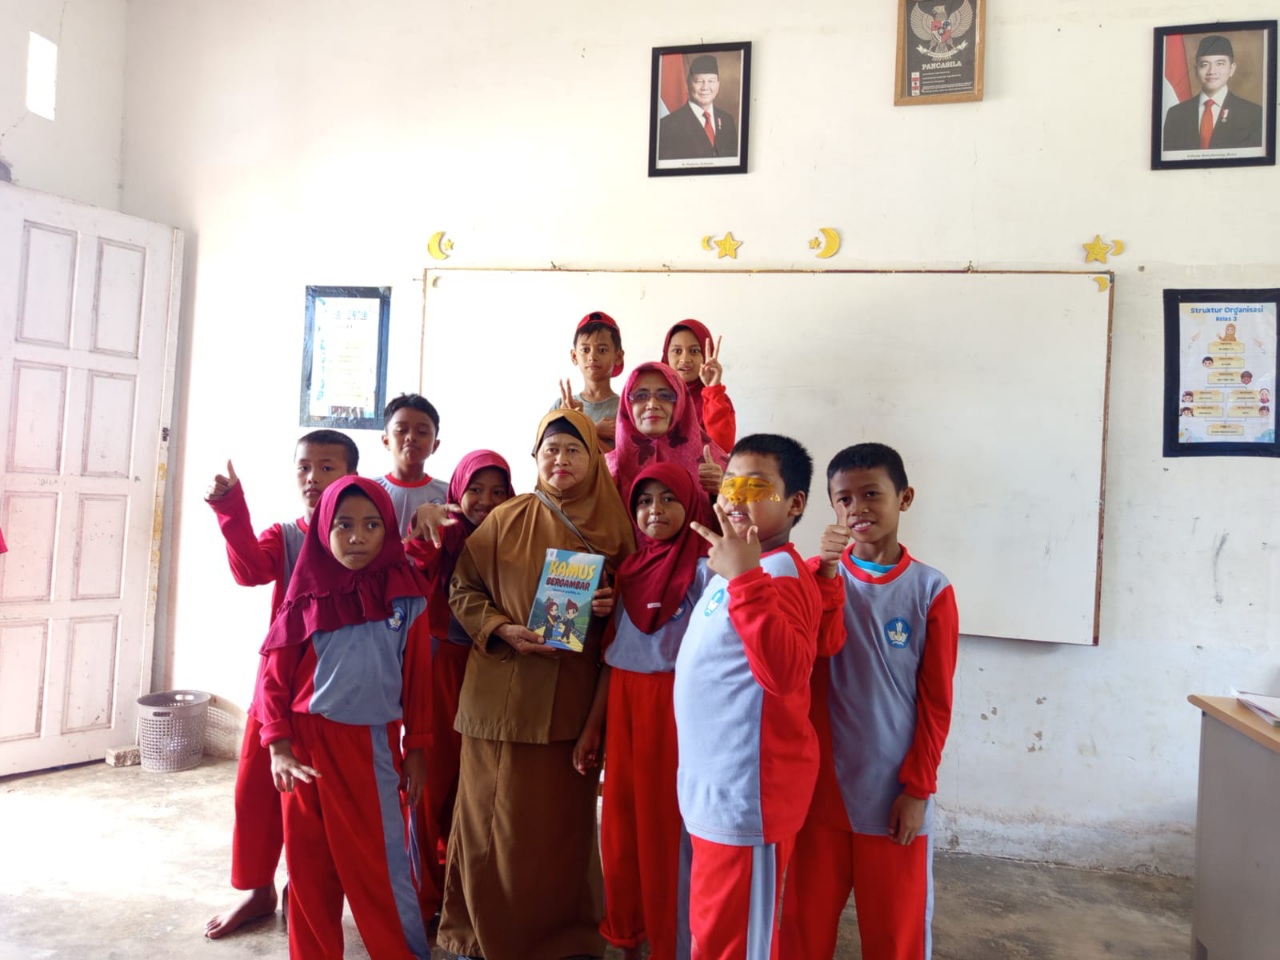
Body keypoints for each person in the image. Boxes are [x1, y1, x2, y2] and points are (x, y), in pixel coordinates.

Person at [439, 410, 635, 960]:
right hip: (500, 697)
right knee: (488, 828)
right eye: (551, 450)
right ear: (536, 458)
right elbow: (462, 589)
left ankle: (562, 940)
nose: (561, 460)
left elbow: (639, 617)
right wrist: (502, 628)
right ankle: (478, 937)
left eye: (573, 450)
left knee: (558, 833)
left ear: (594, 459)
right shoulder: (507, 518)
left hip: (570, 705)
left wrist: (613, 602)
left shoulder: (619, 529)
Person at [780, 443, 959, 960]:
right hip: (819, 793)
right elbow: (803, 655)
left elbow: (937, 703)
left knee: (895, 933)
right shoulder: (814, 575)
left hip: (891, 796)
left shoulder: (930, 590)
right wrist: (825, 574)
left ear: (904, 498)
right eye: (843, 499)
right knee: (802, 929)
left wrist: (918, 789)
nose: (857, 508)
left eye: (871, 494)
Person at [673, 434, 835, 960]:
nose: (738, 497)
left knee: (736, 944)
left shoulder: (777, 574)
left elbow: (786, 673)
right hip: (714, 794)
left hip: (747, 801)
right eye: (730, 483)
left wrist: (744, 577)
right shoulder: (737, 564)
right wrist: (740, 573)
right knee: (713, 934)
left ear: (795, 504)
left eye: (757, 486)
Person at [259, 476, 432, 960]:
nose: (357, 537)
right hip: (305, 749)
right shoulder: (304, 598)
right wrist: (278, 746)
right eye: (344, 525)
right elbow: (273, 678)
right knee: (309, 868)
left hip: (371, 744)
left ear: (388, 529)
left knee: (381, 865)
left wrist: (417, 749)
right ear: (323, 530)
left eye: (372, 525)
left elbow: (418, 679)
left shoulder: (406, 596)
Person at [203, 429, 358, 940]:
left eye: (327, 467)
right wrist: (231, 506)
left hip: (333, 696)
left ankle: (303, 888)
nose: (313, 478)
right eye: (304, 468)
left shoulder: (366, 540)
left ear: (351, 475)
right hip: (276, 688)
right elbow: (250, 570)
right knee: (254, 793)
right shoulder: (288, 536)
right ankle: (256, 890)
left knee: (315, 800)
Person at [598, 462, 713, 960]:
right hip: (624, 704)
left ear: (691, 505)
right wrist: (594, 729)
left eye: (669, 499)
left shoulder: (706, 571)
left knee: (665, 829)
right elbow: (613, 656)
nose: (655, 510)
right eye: (644, 501)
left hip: (673, 708)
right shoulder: (628, 570)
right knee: (620, 825)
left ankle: (672, 943)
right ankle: (627, 932)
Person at [402, 451, 515, 931]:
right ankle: (422, 898)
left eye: (498, 492)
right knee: (432, 784)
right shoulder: (443, 532)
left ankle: (462, 893)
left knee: (479, 788)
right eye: (476, 490)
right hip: (442, 666)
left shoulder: (514, 535)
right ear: (457, 492)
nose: (486, 501)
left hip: (494, 666)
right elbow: (412, 567)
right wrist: (421, 524)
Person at [606, 360, 727, 501]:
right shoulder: (608, 468)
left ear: (681, 403)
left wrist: (723, 490)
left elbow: (744, 507)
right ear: (627, 405)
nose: (652, 405)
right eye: (641, 396)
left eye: (665, 396)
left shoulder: (715, 464)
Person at [1163, 35, 1264, 152]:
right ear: (1196, 70)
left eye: (1220, 64)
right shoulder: (1175, 114)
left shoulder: (1253, 114)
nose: (1211, 71)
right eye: (1204, 65)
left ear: (1231, 69)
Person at [552, 311, 626, 452]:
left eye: (602, 350)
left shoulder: (625, 409)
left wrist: (582, 428)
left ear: (618, 357)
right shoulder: (561, 406)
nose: (592, 356)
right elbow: (549, 455)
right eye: (585, 350)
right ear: (574, 356)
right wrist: (591, 428)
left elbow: (624, 462)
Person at [377, 393, 448, 538]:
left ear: (435, 445)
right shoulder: (371, 489)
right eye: (401, 430)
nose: (411, 437)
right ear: (386, 441)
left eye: (422, 432)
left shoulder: (447, 493)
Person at [662, 319, 737, 452]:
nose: (685, 359)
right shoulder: (654, 396)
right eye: (677, 351)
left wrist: (713, 391)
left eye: (695, 351)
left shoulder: (718, 400)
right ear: (666, 355)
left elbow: (722, 447)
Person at [657, 54, 740, 161]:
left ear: (718, 85)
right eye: (699, 81)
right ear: (687, 85)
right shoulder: (668, 125)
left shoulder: (727, 120)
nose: (705, 87)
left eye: (711, 81)